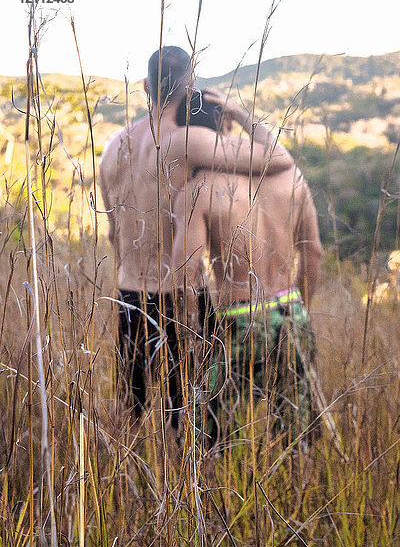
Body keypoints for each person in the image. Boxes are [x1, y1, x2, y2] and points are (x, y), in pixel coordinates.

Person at [99, 45, 295, 427]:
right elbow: (278, 157)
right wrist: (236, 110)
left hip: (128, 295)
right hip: (181, 298)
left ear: (145, 86)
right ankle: (197, 483)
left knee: (130, 409)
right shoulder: (185, 141)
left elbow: (111, 232)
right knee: (196, 420)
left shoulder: (113, 147)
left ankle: (122, 484)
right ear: (189, 89)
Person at [173, 94, 322, 445]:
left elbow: (187, 275)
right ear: (228, 123)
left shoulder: (198, 191)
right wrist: (299, 310)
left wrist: (195, 336)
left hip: (235, 321)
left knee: (206, 440)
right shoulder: (293, 178)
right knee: (297, 437)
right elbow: (313, 253)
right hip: (290, 310)